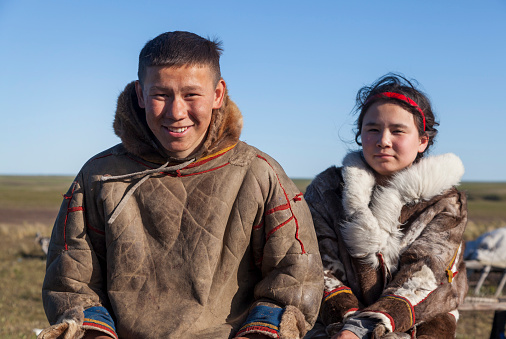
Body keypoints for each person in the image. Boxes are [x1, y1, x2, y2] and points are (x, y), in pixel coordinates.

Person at [38, 31, 323, 339]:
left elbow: (295, 280)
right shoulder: (100, 176)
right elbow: (72, 283)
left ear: (217, 94)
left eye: (191, 95)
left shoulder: (257, 174)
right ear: (140, 94)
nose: (176, 112)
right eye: (160, 94)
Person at [303, 74, 468, 338]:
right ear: (360, 134)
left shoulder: (444, 203)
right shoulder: (328, 190)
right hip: (334, 320)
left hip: (419, 323)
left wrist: (364, 327)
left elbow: (427, 274)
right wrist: (346, 322)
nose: (383, 140)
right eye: (372, 129)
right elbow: (317, 266)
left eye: (398, 130)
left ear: (422, 141)